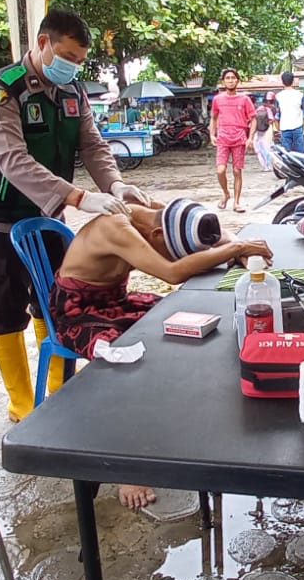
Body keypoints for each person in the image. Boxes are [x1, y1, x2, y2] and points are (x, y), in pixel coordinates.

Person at [0, 10, 152, 422]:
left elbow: (93, 146)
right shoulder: (0, 91)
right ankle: (20, 402)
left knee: (51, 302)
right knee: (5, 307)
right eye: (66, 54)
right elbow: (13, 160)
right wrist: (78, 197)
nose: (71, 65)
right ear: (42, 43)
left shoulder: (73, 92)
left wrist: (115, 186)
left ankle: (57, 385)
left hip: (48, 212)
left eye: (79, 59)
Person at [51, 198, 273, 508]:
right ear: (157, 236)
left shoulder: (161, 213)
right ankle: (125, 462)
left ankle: (180, 416)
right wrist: (236, 250)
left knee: (186, 319)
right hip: (79, 312)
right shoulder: (115, 225)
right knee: (133, 354)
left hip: (117, 300)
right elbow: (172, 273)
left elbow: (221, 238)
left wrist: (240, 246)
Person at [208, 67, 256, 211]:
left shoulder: (245, 99)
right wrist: (212, 134)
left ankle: (236, 202)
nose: (230, 80)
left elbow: (253, 119)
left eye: (233, 78)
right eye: (227, 78)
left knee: (237, 171)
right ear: (223, 81)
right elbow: (214, 117)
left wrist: (250, 138)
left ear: (237, 81)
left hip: (239, 138)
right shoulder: (217, 99)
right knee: (220, 170)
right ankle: (226, 194)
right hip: (223, 137)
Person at [275, 70, 304, 153]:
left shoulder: (278, 96)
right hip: (298, 128)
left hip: (284, 129)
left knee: (286, 156)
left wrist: (278, 130)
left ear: (282, 82)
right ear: (293, 81)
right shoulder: (300, 95)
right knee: (301, 155)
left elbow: (277, 116)